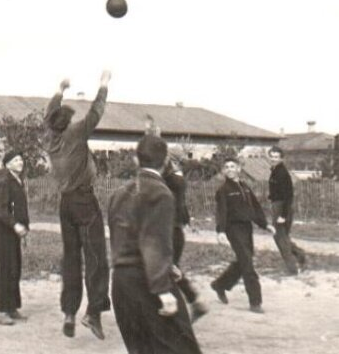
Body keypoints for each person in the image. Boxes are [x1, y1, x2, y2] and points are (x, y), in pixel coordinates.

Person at [107, 135, 202, 354]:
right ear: (166, 161)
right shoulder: (161, 193)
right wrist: (163, 290)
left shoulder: (118, 194)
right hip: (147, 282)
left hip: (121, 284)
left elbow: (124, 240)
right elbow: (152, 242)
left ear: (135, 160)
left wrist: (169, 267)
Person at [44, 71, 111, 340]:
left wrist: (59, 90)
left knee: (71, 258)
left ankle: (69, 311)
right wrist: (104, 85)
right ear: (68, 121)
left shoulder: (49, 138)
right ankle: (93, 312)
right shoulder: (75, 133)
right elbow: (96, 112)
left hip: (65, 205)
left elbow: (49, 113)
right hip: (84, 200)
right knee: (96, 257)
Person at [211, 157, 275, 313]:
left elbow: (255, 208)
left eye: (233, 166)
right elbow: (222, 212)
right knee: (247, 263)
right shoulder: (223, 190)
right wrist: (220, 231)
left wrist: (265, 224)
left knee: (243, 261)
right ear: (223, 171)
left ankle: (220, 284)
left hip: (247, 228)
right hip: (233, 229)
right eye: (226, 167)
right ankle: (255, 302)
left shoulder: (245, 187)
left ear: (239, 169)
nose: (230, 169)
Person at [162, 159, 208, 322]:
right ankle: (194, 301)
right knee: (171, 270)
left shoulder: (174, 181)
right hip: (174, 232)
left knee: (166, 271)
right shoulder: (175, 182)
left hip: (169, 232)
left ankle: (178, 313)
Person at [0, 150, 30, 326]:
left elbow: (20, 208)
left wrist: (24, 228)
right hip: (5, 230)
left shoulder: (18, 181)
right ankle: (3, 312)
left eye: (21, 159)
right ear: (7, 164)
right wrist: (15, 225)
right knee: (7, 269)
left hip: (15, 231)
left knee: (15, 268)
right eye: (16, 160)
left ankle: (12, 307)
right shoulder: (5, 182)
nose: (20, 162)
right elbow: (0, 210)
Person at [268, 146, 307, 275]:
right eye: (272, 156)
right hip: (277, 206)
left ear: (281, 158)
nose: (273, 159)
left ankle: (292, 269)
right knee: (282, 237)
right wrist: (270, 197)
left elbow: (288, 195)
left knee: (280, 238)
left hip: (282, 208)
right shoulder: (275, 171)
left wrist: (283, 215)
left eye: (276, 157)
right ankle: (300, 255)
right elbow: (277, 191)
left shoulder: (282, 173)